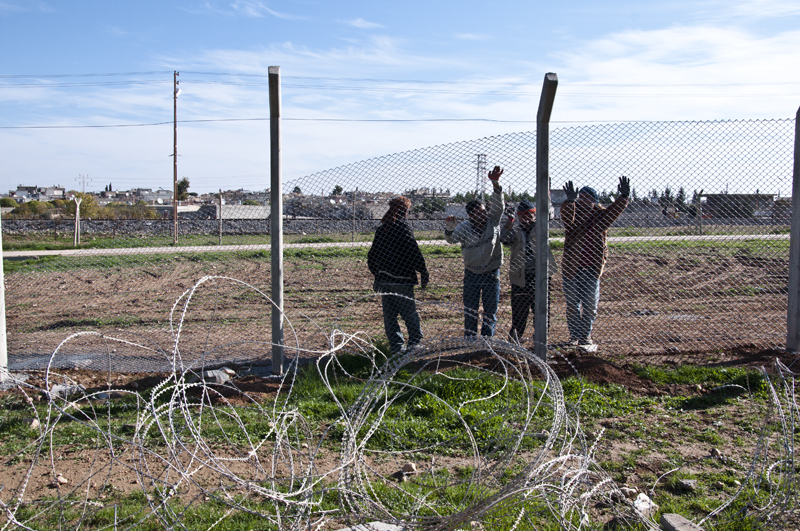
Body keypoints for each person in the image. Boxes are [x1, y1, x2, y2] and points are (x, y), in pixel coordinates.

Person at [560, 176, 631, 348]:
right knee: (573, 306)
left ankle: (585, 336)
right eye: (581, 196)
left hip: (592, 270)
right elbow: (567, 218)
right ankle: (574, 336)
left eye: (588, 197)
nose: (583, 200)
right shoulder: (574, 216)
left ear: (595, 201)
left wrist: (623, 198)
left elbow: (613, 211)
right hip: (572, 269)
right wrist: (570, 202)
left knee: (591, 306)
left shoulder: (601, 218)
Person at [445, 166, 505, 337]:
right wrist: (449, 228)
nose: (483, 214)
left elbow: (499, 206)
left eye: (484, 211)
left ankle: (487, 340)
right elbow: (451, 239)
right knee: (470, 310)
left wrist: (495, 183)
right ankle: (470, 339)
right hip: (471, 273)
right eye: (479, 212)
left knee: (490, 311)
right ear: (471, 215)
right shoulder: (464, 228)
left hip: (491, 273)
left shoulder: (492, 221)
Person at [368, 196, 429, 354]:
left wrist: (377, 273)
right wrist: (423, 270)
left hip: (384, 280)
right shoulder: (403, 226)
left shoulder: (383, 228)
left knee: (390, 317)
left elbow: (372, 255)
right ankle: (415, 344)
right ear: (406, 210)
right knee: (409, 313)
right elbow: (413, 250)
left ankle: (396, 347)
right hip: (402, 279)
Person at [501, 199, 558, 343]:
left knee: (542, 310)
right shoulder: (514, 229)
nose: (526, 218)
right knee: (519, 312)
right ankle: (515, 341)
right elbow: (504, 239)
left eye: (530, 215)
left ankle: (540, 341)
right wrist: (509, 221)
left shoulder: (540, 227)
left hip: (540, 276)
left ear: (535, 215)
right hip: (520, 276)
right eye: (523, 215)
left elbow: (549, 214)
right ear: (518, 216)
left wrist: (547, 198)